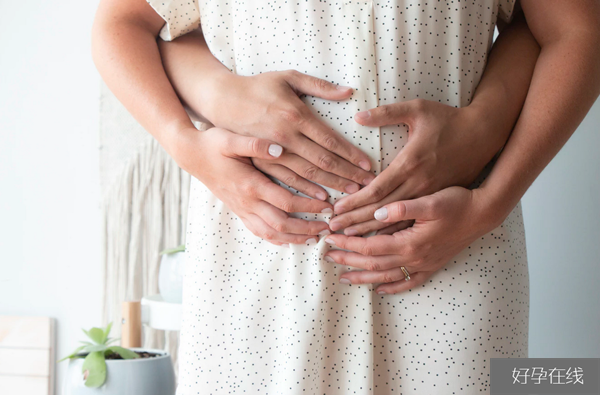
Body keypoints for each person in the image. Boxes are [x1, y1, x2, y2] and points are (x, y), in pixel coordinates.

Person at [91, 0, 600, 393]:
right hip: (257, 262)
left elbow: (573, 27)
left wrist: (489, 202)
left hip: (450, 253)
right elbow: (125, 22)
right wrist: (189, 146)